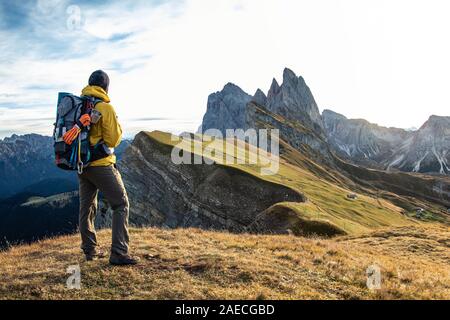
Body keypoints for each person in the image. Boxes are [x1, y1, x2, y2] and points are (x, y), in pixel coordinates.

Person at [76, 70, 139, 265]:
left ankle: (90, 250)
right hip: (101, 165)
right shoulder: (105, 108)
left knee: (86, 208)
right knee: (121, 204)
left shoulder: (78, 106)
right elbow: (113, 139)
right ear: (105, 87)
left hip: (81, 164)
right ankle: (119, 253)